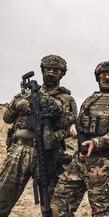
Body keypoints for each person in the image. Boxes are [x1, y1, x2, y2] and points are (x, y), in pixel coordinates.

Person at [51, 61, 109, 217]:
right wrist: (73, 127)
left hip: (105, 165)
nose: (106, 78)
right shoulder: (90, 100)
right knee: (57, 208)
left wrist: (95, 143)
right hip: (79, 160)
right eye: (103, 75)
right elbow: (79, 122)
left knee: (102, 213)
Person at [0, 55, 75, 216]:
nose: (51, 73)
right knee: (2, 199)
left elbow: (70, 129)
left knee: (54, 209)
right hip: (20, 152)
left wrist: (54, 130)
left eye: (56, 70)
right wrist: (17, 105)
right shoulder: (27, 93)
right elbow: (7, 118)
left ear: (62, 74)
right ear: (42, 70)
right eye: (48, 69)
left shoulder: (66, 99)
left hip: (49, 155)